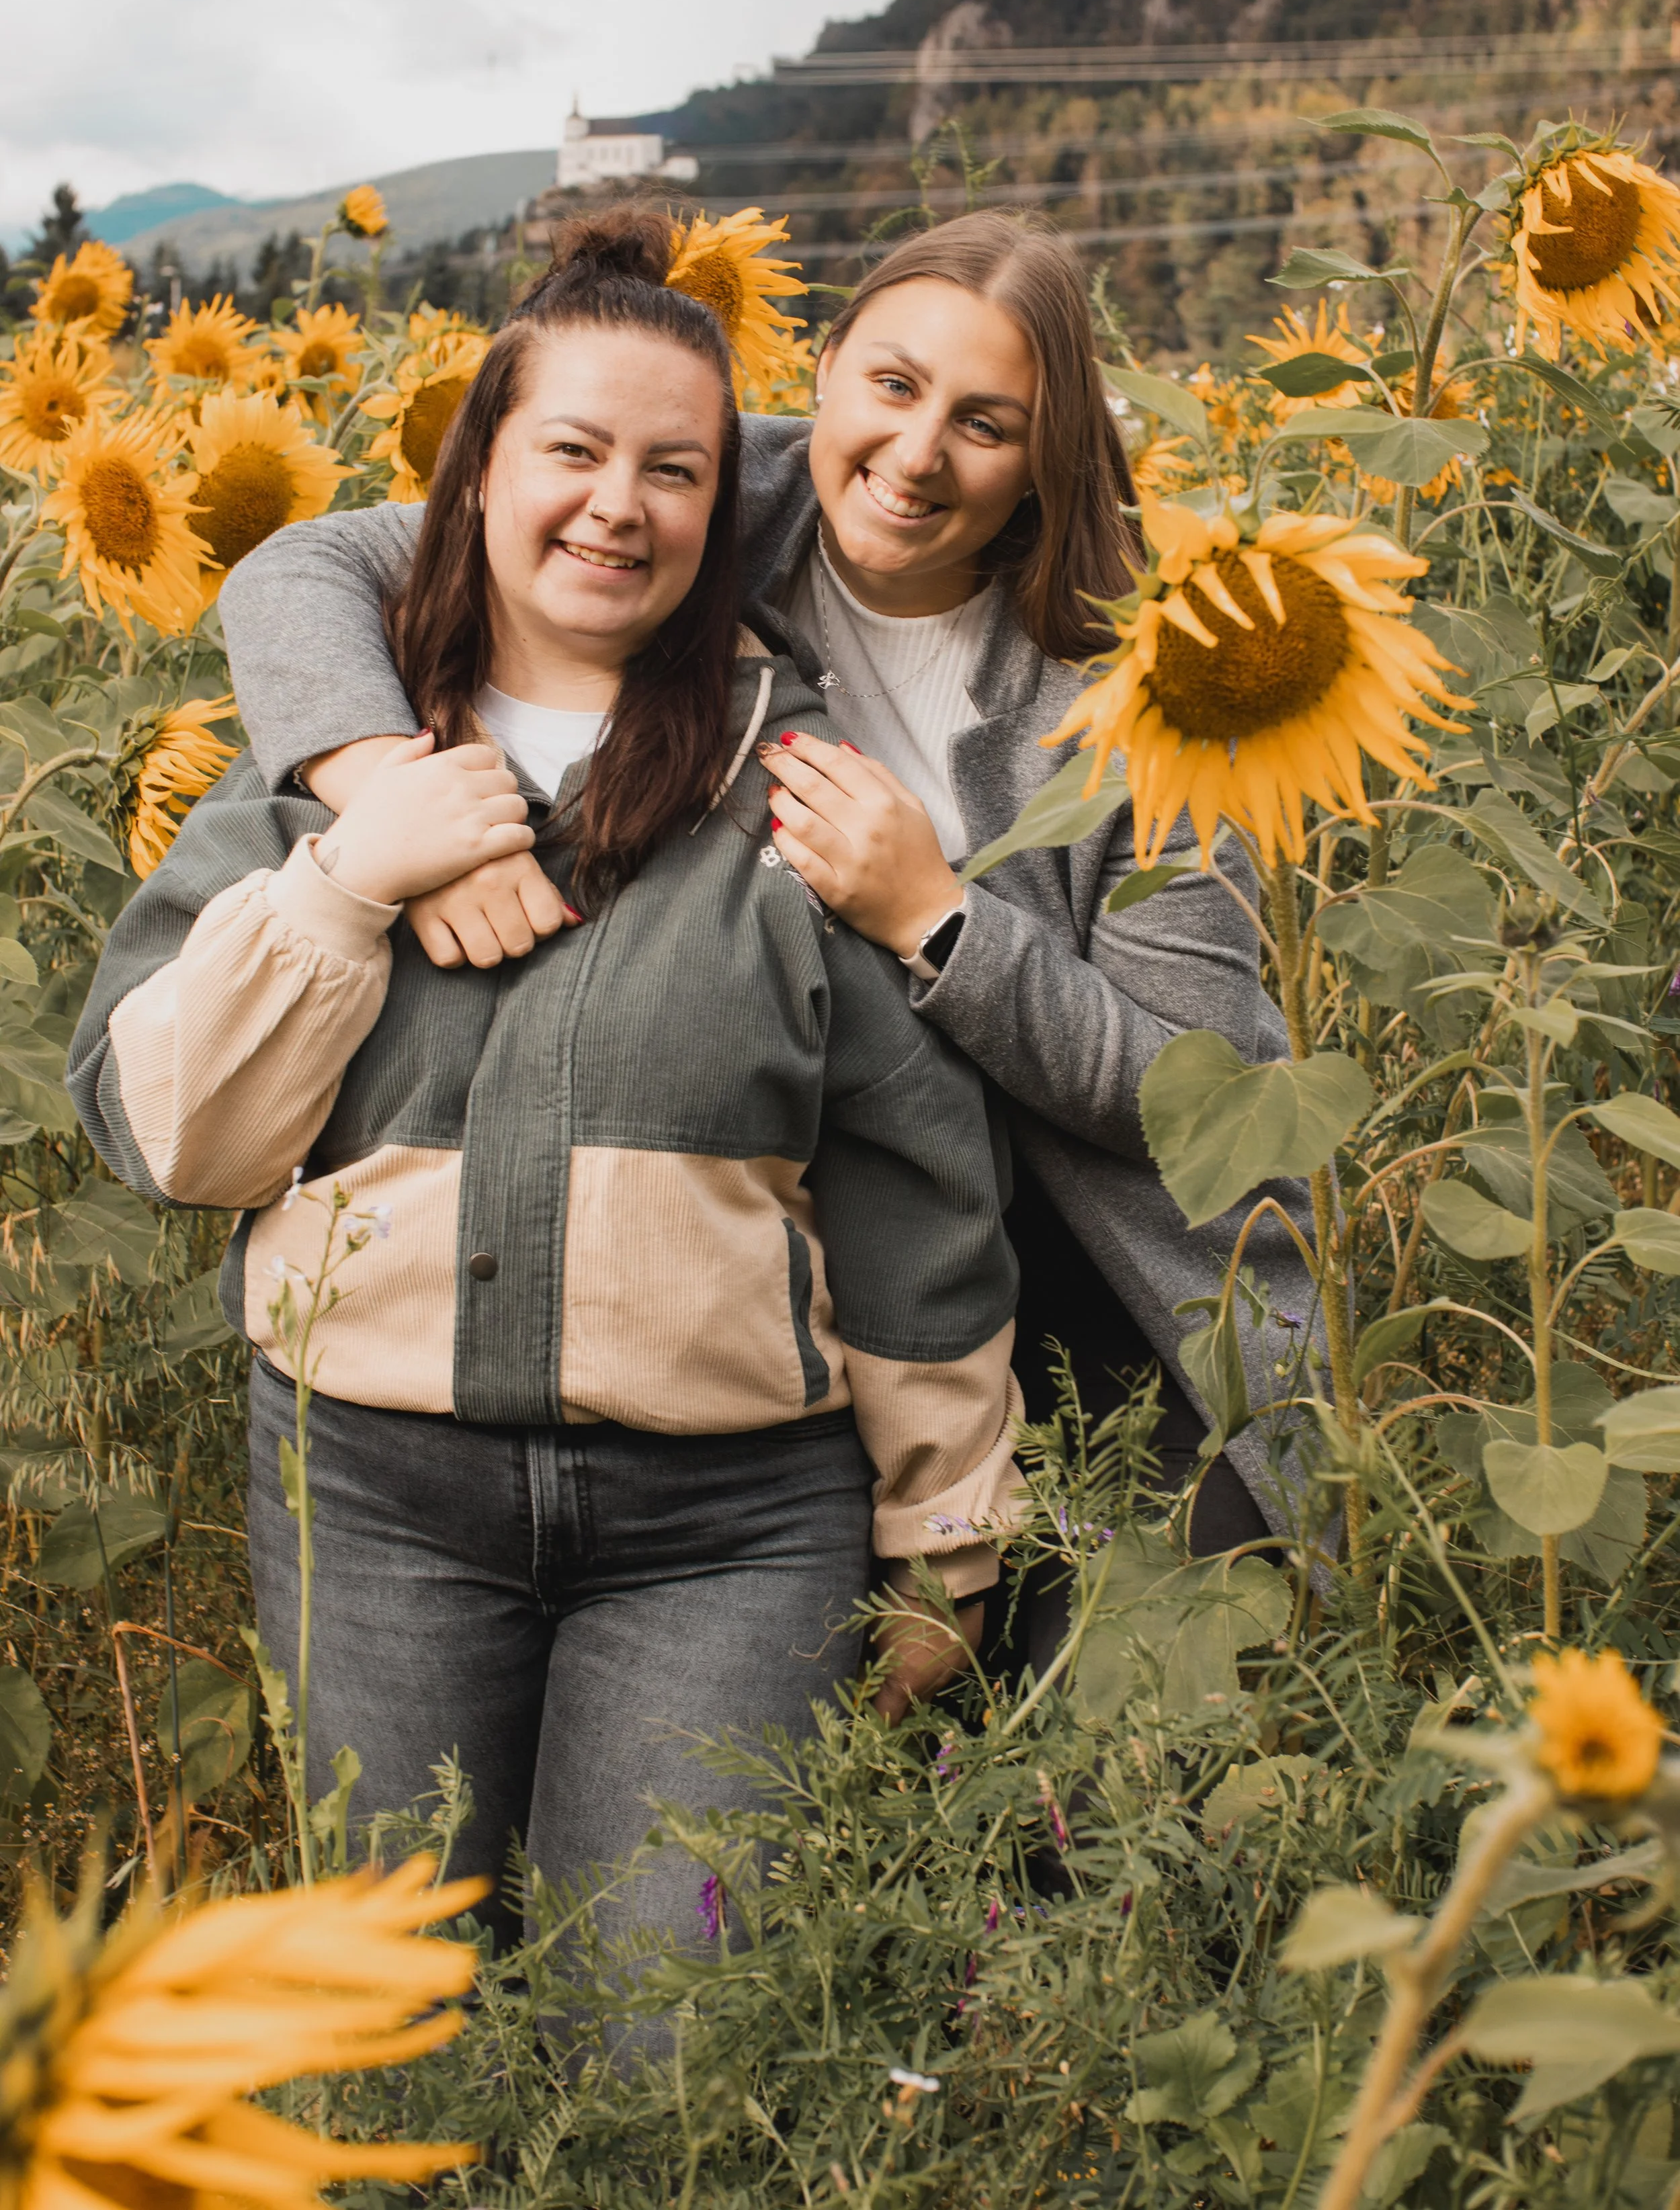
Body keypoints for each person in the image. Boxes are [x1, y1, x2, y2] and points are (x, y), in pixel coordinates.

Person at [68, 208, 1021, 1947]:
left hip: (730, 1527)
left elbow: (908, 1190)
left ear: (716, 517)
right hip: (371, 1497)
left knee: (662, 2037)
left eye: (673, 467)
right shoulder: (317, 781)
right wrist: (360, 871)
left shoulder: (793, 797)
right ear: (478, 476)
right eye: (571, 449)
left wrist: (946, 1546)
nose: (618, 501)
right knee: (394, 2023)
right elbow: (172, 1134)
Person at [219, 207, 1320, 1627]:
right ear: (824, 375)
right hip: (830, 1255)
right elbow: (298, 571)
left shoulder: (1149, 691)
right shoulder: (709, 505)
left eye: (985, 424)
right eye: (892, 386)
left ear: (1047, 461)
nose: (918, 455)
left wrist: (937, 923)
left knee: (1112, 1740)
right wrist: (393, 802)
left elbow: (1193, 1099)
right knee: (865, 1761)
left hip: (1109, 1279)